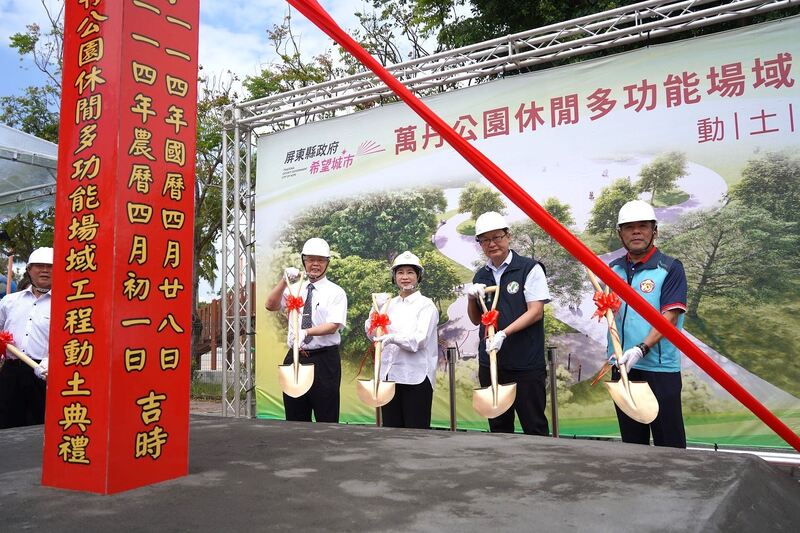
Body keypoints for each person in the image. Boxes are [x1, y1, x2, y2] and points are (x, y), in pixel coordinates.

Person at [608, 199, 687, 448]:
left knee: (669, 444)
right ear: (620, 233)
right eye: (629, 227)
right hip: (623, 367)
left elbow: (670, 317)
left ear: (655, 231)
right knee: (632, 443)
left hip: (659, 369)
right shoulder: (613, 269)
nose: (636, 232)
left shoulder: (670, 268)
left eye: (643, 226)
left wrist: (641, 348)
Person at [466, 212, 551, 435]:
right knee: (499, 428)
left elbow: (536, 312)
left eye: (497, 237)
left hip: (525, 364)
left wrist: (503, 334)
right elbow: (477, 320)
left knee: (534, 426)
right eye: (485, 240)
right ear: (480, 244)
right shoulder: (480, 276)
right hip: (492, 364)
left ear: (508, 236)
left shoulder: (529, 268)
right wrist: (471, 298)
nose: (492, 244)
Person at [265, 238, 347, 423]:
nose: (315, 264)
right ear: (304, 261)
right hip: (296, 357)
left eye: (320, 260)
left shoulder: (336, 292)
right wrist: (284, 281)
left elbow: (334, 324)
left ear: (327, 263)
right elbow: (270, 305)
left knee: (326, 416)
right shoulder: (294, 289)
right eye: (310, 259)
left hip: (324, 360)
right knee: (295, 416)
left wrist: (307, 332)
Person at [365, 251, 439, 429]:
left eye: (410, 272)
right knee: (391, 430)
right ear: (394, 277)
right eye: (400, 272)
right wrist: (375, 311)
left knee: (415, 433)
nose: (405, 277)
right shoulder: (389, 304)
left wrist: (392, 338)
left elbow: (419, 340)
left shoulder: (426, 305)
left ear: (418, 276)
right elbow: (372, 334)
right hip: (389, 377)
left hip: (416, 377)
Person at [0, 247, 52, 428]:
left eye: (50, 266)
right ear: (29, 269)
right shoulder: (9, 301)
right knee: (6, 423)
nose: (45, 270)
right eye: (39, 266)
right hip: (11, 373)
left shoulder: (65, 304)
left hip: (44, 375)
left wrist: (50, 361)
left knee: (39, 425)